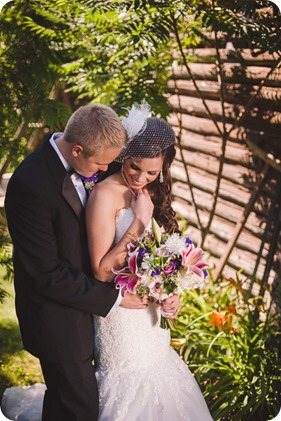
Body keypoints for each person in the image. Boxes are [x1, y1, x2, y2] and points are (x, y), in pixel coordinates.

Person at [3, 103, 178, 421]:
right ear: (77, 150)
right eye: (101, 164)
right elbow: (44, 274)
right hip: (59, 315)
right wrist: (114, 297)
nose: (104, 172)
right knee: (78, 407)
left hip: (104, 312)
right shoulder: (31, 185)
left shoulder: (101, 167)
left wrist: (160, 283)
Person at [86, 101, 213, 420]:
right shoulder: (104, 194)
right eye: (134, 168)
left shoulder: (151, 191)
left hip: (152, 322)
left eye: (152, 172)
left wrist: (171, 291)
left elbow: (156, 255)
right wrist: (139, 222)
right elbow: (101, 271)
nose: (141, 178)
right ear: (122, 158)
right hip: (122, 322)